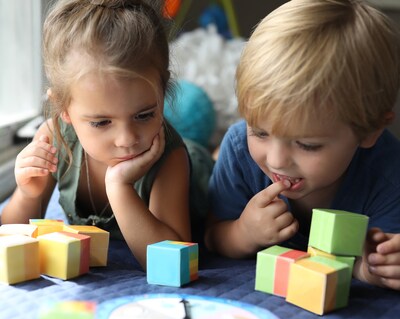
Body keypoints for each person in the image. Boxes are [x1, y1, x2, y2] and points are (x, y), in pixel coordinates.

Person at [1, 0, 213, 269]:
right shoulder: (56, 139)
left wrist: (119, 187)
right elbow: (11, 237)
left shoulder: (170, 156)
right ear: (63, 109)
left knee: (204, 159)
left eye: (144, 115)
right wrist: (28, 194)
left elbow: (173, 262)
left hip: (198, 170)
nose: (127, 139)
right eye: (101, 122)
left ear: (162, 90)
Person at [205, 0, 400, 290]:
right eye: (260, 132)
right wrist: (243, 233)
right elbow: (210, 235)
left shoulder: (388, 174)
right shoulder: (238, 149)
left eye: (307, 145)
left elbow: (373, 262)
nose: (277, 160)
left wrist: (373, 267)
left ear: (369, 131)